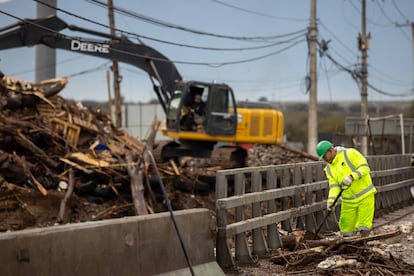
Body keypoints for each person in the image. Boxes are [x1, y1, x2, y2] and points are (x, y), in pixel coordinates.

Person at [316, 140, 377, 237]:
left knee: (363, 225)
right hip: (348, 201)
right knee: (346, 230)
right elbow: (334, 186)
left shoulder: (350, 153)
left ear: (330, 151)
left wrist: (352, 177)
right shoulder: (328, 169)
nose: (324, 159)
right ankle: (349, 249)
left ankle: (363, 245)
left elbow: (365, 168)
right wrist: (331, 201)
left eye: (324, 156)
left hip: (365, 197)